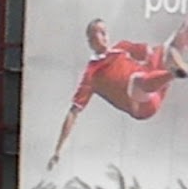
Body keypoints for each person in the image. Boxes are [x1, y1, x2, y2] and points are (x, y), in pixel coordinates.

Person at [47, 17, 188, 169]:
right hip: (141, 105)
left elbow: (151, 52)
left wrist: (169, 49)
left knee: (174, 41)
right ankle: (174, 74)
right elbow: (73, 112)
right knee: (136, 80)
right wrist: (58, 150)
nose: (104, 36)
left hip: (155, 86)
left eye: (105, 32)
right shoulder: (92, 74)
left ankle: (177, 71)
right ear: (90, 41)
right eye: (99, 33)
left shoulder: (122, 47)